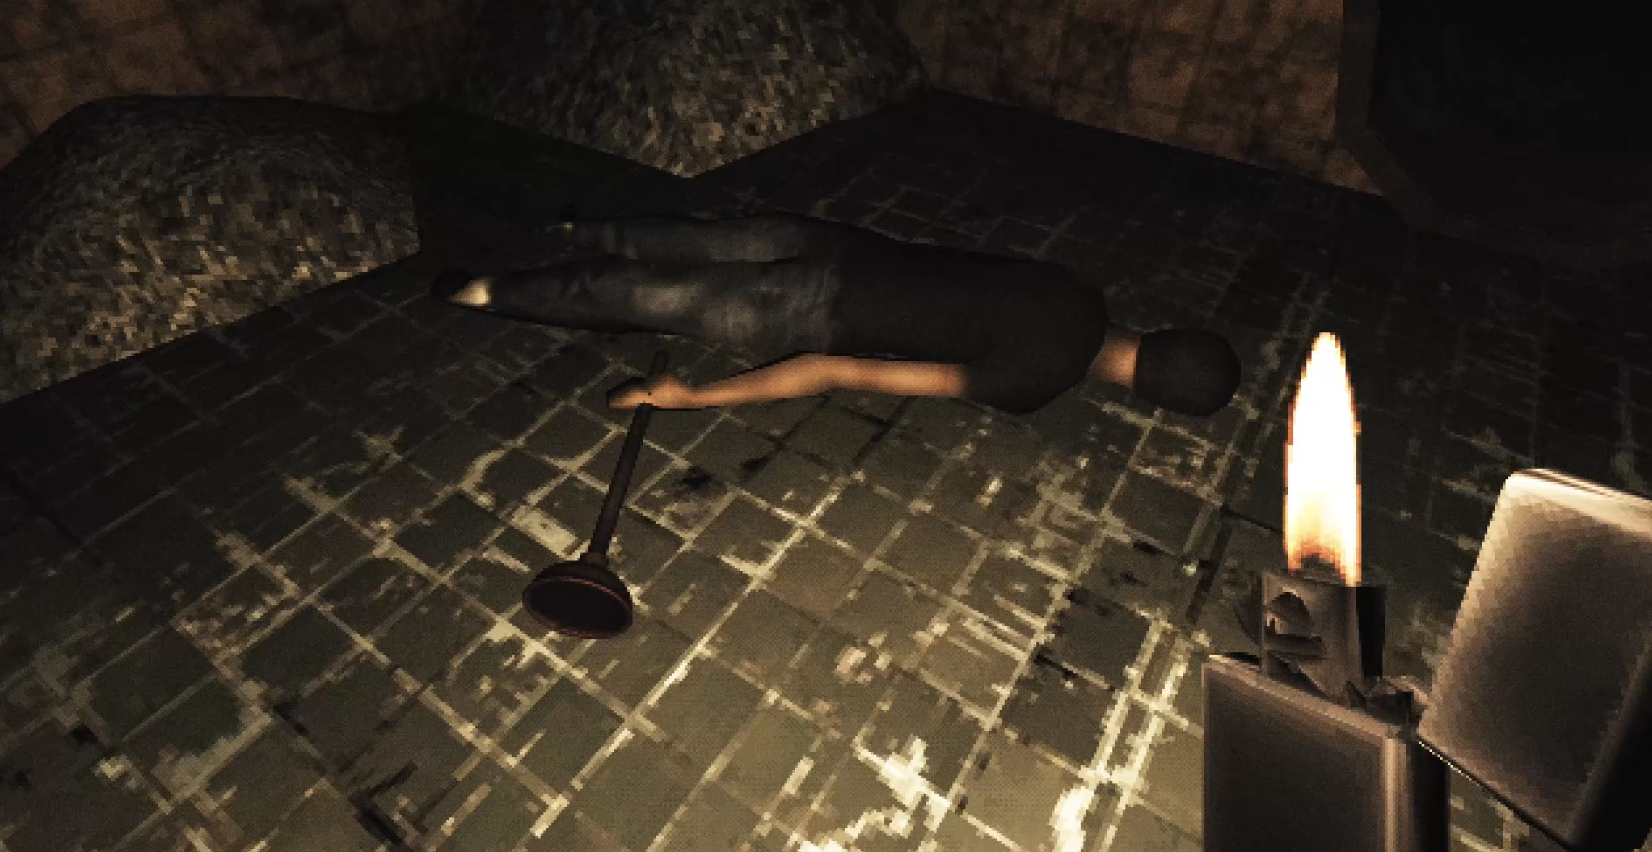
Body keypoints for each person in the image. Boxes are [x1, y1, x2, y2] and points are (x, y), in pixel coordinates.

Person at [430, 214, 1240, 416]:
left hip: (841, 246)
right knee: (646, 296)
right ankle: (494, 292)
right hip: (812, 314)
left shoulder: (1078, 290)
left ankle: (581, 226)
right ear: (1150, 399)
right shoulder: (1032, 385)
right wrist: (694, 397)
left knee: (694, 239)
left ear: (1165, 330)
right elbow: (838, 370)